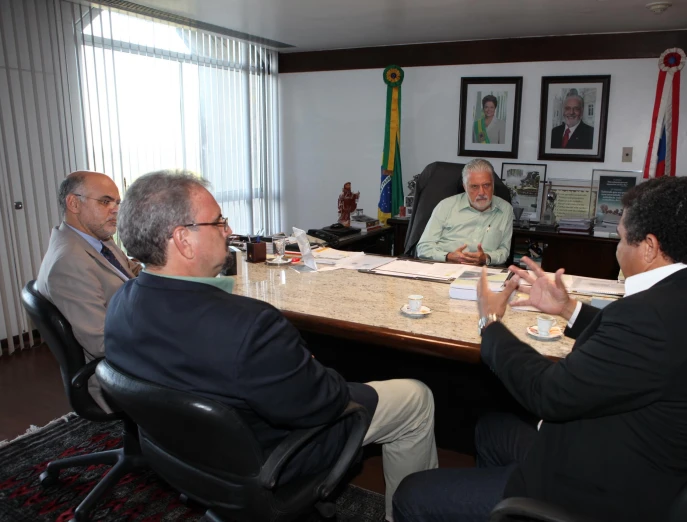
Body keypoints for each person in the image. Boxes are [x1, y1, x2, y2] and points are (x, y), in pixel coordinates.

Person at [394, 176, 687, 522]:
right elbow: (635, 348)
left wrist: (491, 322)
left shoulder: (649, 316)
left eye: (621, 238)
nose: (616, 247)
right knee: (491, 429)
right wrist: (569, 309)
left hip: (604, 491)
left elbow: (549, 393)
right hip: (637, 450)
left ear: (650, 247)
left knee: (411, 494)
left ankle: (519, 503)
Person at [105, 171, 437, 521]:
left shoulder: (119, 306)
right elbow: (325, 402)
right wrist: (311, 366)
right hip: (270, 459)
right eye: (218, 222)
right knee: (416, 397)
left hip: (183, 458)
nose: (229, 231)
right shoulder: (251, 327)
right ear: (183, 240)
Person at [37, 171, 141, 412]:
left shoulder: (96, 239)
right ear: (74, 203)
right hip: (113, 376)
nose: (115, 210)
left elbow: (126, 269)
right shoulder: (69, 262)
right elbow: (101, 343)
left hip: (130, 332)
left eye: (117, 203)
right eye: (105, 202)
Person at [416, 159, 513, 266]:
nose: (481, 192)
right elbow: (423, 248)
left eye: (486, 185)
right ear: (465, 187)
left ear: (493, 185)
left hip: (483, 271)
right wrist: (448, 257)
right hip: (445, 267)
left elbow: (504, 251)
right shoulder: (445, 206)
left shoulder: (505, 209)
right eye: (474, 186)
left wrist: (486, 258)